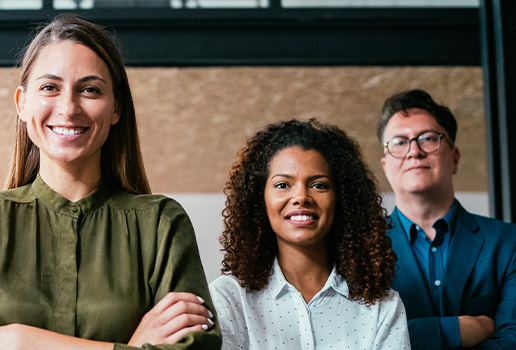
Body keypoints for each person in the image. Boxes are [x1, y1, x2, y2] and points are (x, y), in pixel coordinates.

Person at [0, 14, 221, 350]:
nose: (68, 108)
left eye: (90, 90)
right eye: (50, 87)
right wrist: (131, 346)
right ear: (22, 104)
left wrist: (20, 342)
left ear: (116, 109)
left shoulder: (162, 224)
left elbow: (196, 346)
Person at [210, 119, 410, 349]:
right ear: (260, 200)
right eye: (283, 185)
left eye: (319, 185)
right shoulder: (229, 298)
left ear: (341, 199)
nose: (301, 197)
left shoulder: (382, 306)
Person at [377, 89, 516, 349]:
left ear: (455, 158)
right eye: (399, 142)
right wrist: (456, 330)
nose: (414, 151)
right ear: (385, 166)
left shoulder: (509, 243)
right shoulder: (359, 248)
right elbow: (356, 338)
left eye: (428, 138)